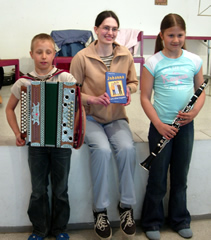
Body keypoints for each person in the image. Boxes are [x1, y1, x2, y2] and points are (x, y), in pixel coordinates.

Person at [70, 10, 138, 240]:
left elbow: (133, 82)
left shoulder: (125, 54)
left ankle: (126, 206)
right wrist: (92, 99)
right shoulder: (81, 57)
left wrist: (129, 90)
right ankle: (100, 211)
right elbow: (72, 92)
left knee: (128, 149)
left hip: (117, 117)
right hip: (91, 118)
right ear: (96, 29)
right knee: (102, 150)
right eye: (106, 28)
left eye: (114, 28)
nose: (110, 32)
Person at [5, 33, 77, 240]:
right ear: (31, 54)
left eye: (48, 52)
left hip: (61, 143)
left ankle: (60, 230)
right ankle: (39, 230)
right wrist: (18, 132)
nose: (44, 56)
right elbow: (9, 109)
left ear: (54, 54)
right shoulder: (23, 82)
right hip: (35, 144)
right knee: (38, 190)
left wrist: (75, 131)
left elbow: (76, 106)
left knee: (61, 189)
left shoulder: (65, 78)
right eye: (39, 52)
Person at [140, 13, 206, 240]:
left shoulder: (194, 60)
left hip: (185, 127)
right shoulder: (153, 62)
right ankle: (152, 221)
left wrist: (194, 112)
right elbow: (145, 97)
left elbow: (201, 92)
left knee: (180, 176)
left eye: (180, 35)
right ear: (162, 35)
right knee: (157, 177)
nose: (176, 39)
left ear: (184, 35)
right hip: (161, 126)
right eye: (171, 35)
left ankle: (180, 219)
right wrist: (158, 124)